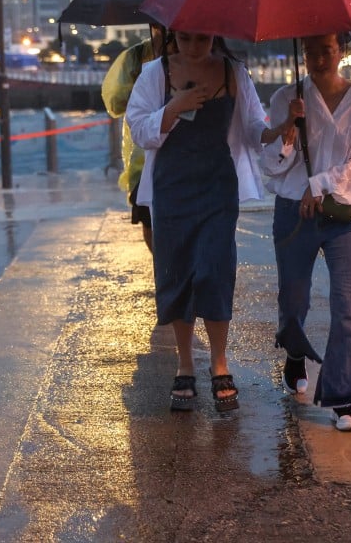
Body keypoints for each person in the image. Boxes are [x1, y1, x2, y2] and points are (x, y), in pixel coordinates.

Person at [126, 30, 301, 412]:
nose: (193, 47)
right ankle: (185, 363)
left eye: (201, 40)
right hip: (171, 185)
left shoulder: (233, 72)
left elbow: (256, 129)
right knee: (178, 272)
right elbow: (138, 128)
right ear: (173, 37)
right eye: (186, 39)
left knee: (215, 269)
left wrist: (283, 125)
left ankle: (219, 363)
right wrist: (174, 107)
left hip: (217, 185)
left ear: (215, 38)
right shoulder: (157, 74)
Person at [261, 33, 351, 432]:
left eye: (326, 50)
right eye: (311, 50)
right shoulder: (288, 97)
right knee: (293, 299)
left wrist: (323, 183)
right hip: (294, 211)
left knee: (349, 306)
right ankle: (295, 352)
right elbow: (271, 166)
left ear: (342, 50)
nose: (318, 58)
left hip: (341, 214)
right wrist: (288, 129)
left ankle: (343, 397)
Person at [100, 25, 167, 251]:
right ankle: (161, 266)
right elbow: (115, 103)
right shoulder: (135, 57)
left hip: (179, 150)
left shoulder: (191, 54)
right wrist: (141, 93)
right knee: (147, 215)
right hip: (142, 156)